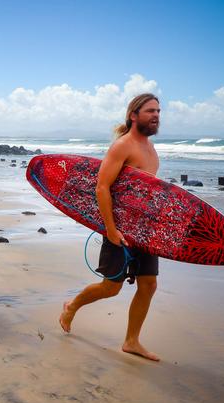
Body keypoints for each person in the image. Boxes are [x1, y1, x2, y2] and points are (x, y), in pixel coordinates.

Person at [59, 93, 162, 361]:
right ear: (133, 115)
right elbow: (102, 187)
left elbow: (147, 192)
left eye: (158, 111)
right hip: (120, 229)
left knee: (149, 285)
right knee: (111, 287)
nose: (156, 116)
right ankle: (72, 305)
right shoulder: (122, 146)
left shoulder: (151, 149)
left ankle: (131, 341)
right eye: (150, 111)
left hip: (144, 231)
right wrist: (111, 229)